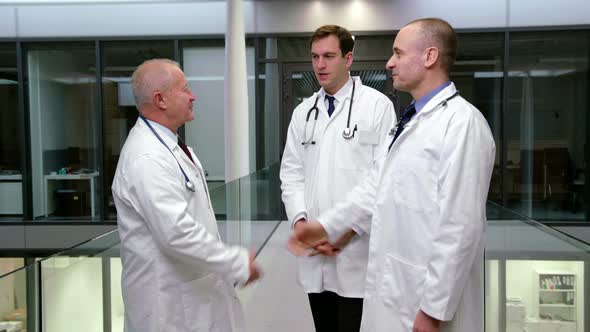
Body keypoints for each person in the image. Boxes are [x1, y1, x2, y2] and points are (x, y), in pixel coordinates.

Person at [290, 18, 496, 332]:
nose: (389, 63)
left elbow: (461, 227)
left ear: (429, 57)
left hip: (424, 301)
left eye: (398, 54)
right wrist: (323, 227)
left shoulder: (462, 124)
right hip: (395, 287)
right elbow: (375, 186)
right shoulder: (411, 122)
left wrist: (434, 310)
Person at [112, 59, 261, 332]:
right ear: (161, 100)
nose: (193, 96)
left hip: (192, 293)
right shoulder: (147, 157)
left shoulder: (171, 147)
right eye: (185, 89)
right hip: (167, 306)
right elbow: (176, 233)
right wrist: (235, 262)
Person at [280, 25, 395, 332]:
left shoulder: (377, 106)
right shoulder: (304, 112)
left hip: (355, 250)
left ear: (348, 58)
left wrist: (347, 232)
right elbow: (291, 173)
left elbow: (383, 179)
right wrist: (301, 224)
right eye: (315, 56)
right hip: (315, 251)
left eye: (329, 56)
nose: (320, 64)